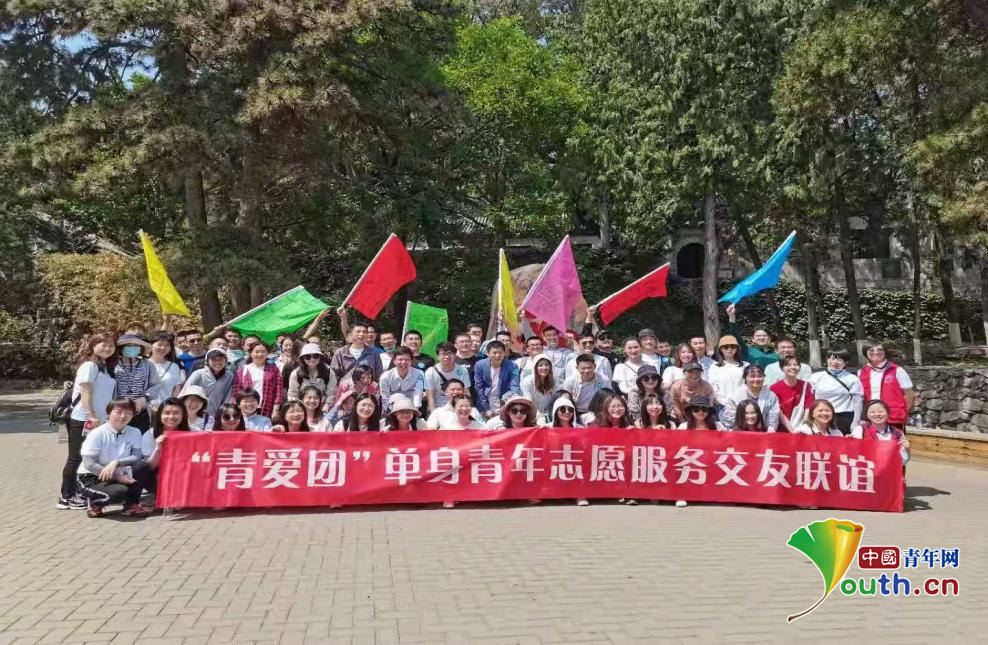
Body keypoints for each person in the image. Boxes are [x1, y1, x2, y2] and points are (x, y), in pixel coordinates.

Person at [58, 331, 118, 510]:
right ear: (93, 346)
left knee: (89, 456)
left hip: (99, 420)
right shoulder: (90, 365)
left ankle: (80, 492)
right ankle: (66, 497)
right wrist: (91, 415)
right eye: (103, 344)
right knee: (76, 457)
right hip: (84, 419)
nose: (107, 348)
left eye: (111, 345)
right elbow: (85, 391)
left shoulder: (104, 367)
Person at [75, 398, 154, 518]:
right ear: (108, 413)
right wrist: (117, 476)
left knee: (142, 465)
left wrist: (116, 462)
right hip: (91, 476)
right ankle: (96, 502)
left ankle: (131, 505)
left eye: (128, 413)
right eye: (118, 412)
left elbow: (137, 456)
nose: (123, 416)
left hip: (118, 471)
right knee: (119, 493)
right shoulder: (97, 433)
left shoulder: (135, 431)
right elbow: (89, 464)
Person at [859, 342, 915, 430]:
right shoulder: (861, 372)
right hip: (871, 418)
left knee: (895, 439)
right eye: (871, 350)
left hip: (893, 418)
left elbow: (909, 395)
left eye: (880, 350)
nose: (876, 352)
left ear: (885, 352)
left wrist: (903, 411)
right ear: (866, 353)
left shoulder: (897, 370)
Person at [809, 348, 864, 435]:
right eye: (832, 358)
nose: (835, 362)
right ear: (827, 359)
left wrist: (856, 422)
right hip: (821, 415)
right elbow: (809, 399)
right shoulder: (816, 377)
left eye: (839, 359)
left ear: (846, 362)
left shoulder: (852, 378)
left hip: (844, 417)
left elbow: (858, 401)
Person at [112, 333, 159, 432]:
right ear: (121, 348)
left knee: (139, 437)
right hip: (117, 409)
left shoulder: (148, 365)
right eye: (128, 345)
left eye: (135, 345)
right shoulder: (113, 364)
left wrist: (145, 398)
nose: (132, 348)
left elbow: (156, 385)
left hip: (140, 410)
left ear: (140, 348)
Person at [231, 341, 283, 420]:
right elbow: (236, 392)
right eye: (257, 351)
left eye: (263, 351)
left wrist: (275, 410)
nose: (260, 354)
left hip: (267, 407)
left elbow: (278, 392)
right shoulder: (243, 370)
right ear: (250, 353)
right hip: (246, 408)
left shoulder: (274, 370)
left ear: (267, 353)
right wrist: (235, 409)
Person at [722, 365, 780, 432]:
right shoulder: (735, 395)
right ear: (745, 378)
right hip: (740, 432)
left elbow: (773, 418)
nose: (756, 379)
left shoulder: (771, 395)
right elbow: (730, 418)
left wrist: (770, 431)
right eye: (752, 376)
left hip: (763, 432)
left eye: (760, 376)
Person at [851, 399, 911, 464]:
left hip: (888, 469)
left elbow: (903, 461)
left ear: (888, 413)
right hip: (866, 468)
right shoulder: (860, 430)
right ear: (867, 415)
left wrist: (907, 450)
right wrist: (849, 443)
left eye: (881, 411)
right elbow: (853, 455)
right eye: (872, 412)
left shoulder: (897, 433)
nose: (877, 414)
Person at [474, 341, 522, 418]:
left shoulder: (513, 366)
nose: (498, 355)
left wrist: (512, 402)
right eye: (494, 352)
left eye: (500, 352)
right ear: (488, 353)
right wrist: (486, 408)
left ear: (504, 353)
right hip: (485, 401)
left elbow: (514, 385)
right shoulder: (480, 365)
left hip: (504, 400)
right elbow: (479, 388)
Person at [183, 348, 236, 417]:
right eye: (213, 359)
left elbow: (227, 399)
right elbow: (184, 393)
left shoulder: (229, 377)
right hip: (194, 415)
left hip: (215, 417)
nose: (217, 362)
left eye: (220, 359)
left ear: (226, 361)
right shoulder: (198, 374)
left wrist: (222, 415)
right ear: (207, 361)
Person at [725, 304, 780, 369]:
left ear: (769, 339)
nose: (761, 338)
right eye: (758, 336)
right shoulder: (747, 351)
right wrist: (731, 316)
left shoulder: (776, 356)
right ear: (753, 339)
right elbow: (736, 335)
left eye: (764, 336)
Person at [770, 356, 816, 432]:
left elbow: (808, 408)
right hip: (782, 429)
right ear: (782, 368)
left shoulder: (806, 386)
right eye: (788, 365)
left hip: (801, 428)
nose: (793, 367)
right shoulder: (774, 388)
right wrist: (792, 431)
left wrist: (804, 426)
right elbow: (779, 413)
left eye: (796, 364)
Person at [424, 342, 472, 412]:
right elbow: (430, 397)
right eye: (443, 354)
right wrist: (434, 414)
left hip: (458, 408)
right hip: (438, 408)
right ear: (437, 356)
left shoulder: (462, 370)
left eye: (450, 353)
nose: (447, 357)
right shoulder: (430, 372)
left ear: (455, 355)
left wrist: (468, 410)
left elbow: (466, 392)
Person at [378, 346, 425, 411]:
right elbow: (385, 398)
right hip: (392, 407)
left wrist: (415, 411)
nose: (403, 362)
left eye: (407, 359)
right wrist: (389, 412)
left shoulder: (419, 374)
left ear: (411, 361)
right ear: (394, 361)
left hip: (411, 406)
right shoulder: (385, 377)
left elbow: (418, 393)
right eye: (400, 359)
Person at [706, 335, 748, 407]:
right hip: (723, 406)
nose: (729, 349)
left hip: (743, 404)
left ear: (737, 349)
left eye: (733, 346)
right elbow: (713, 387)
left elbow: (749, 384)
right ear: (721, 349)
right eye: (726, 347)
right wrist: (725, 402)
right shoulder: (714, 367)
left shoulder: (745, 365)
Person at [148, 332, 184, 410]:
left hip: (165, 410)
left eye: (167, 345)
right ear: (151, 345)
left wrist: (173, 406)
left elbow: (176, 388)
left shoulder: (174, 366)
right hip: (145, 410)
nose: (163, 348)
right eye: (159, 344)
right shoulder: (143, 365)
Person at [520, 354, 558, 419]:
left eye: (547, 365)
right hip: (531, 415)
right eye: (540, 365)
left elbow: (556, 397)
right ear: (535, 367)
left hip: (549, 414)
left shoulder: (554, 379)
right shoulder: (528, 381)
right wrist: (539, 416)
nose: (544, 368)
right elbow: (529, 403)